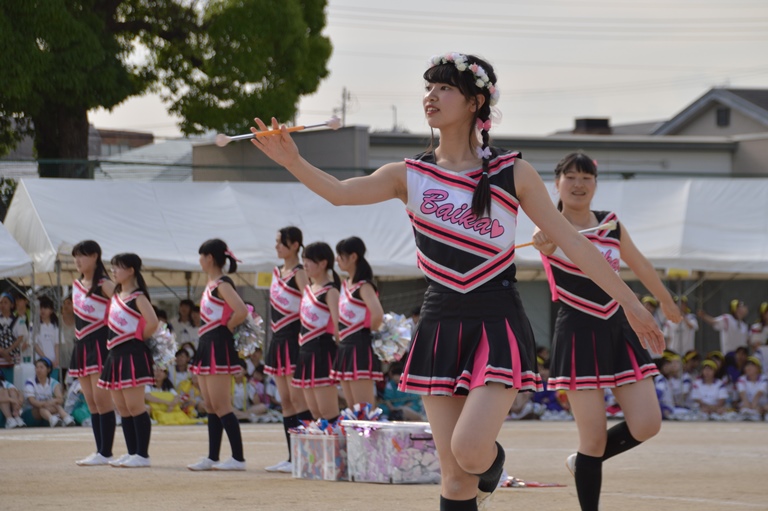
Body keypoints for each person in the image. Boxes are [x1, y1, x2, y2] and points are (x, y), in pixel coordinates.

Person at [250, 52, 664, 511]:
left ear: (475, 102)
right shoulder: (408, 174)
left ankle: (492, 464)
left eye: (444, 88)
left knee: (469, 452)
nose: (432, 96)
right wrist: (292, 159)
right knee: (453, 478)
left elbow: (577, 244)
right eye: (428, 88)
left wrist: (632, 303)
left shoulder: (514, 172)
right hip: (440, 320)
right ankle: (481, 477)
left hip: (497, 320)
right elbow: (341, 194)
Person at [532, 151, 680, 511]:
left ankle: (582, 462)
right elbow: (545, 240)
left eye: (587, 177)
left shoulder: (610, 223)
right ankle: (588, 470)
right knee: (593, 439)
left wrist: (666, 301)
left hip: (619, 327)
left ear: (596, 184)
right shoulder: (550, 226)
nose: (579, 184)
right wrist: (543, 238)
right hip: (578, 332)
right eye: (571, 177)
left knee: (647, 424)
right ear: (557, 183)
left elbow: (639, 263)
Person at [187, 239, 248, 472]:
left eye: (201, 256)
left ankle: (238, 458)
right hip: (206, 343)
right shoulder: (211, 283)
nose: (200, 261)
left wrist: (227, 327)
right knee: (211, 405)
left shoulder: (222, 283)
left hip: (217, 345)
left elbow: (241, 310)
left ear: (209, 258)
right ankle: (213, 456)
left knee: (222, 404)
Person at [97, 253, 159, 468]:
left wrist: (137, 338)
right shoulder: (116, 295)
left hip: (132, 354)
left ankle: (143, 454)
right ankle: (132, 452)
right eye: (112, 267)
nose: (113, 271)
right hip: (114, 355)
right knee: (122, 407)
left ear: (131, 270)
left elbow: (153, 322)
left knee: (135, 405)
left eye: (118, 267)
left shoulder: (139, 297)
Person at [264, 226, 313, 474]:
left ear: (295, 245)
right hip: (278, 340)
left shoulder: (300, 273)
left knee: (298, 399)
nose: (277, 246)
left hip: (295, 339)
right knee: (285, 401)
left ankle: (307, 454)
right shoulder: (276, 272)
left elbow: (310, 305)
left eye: (281, 242)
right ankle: (291, 455)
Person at [69, 241, 118, 466]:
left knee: (102, 401)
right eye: (76, 257)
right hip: (81, 345)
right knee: (91, 402)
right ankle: (100, 450)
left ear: (96, 257)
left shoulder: (104, 284)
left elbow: (124, 307)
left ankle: (106, 452)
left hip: (100, 344)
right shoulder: (77, 284)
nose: (78, 261)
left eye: (83, 256)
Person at [331, 236, 384, 407]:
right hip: (346, 348)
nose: (336, 259)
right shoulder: (345, 284)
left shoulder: (364, 286)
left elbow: (377, 315)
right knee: (352, 408)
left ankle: (368, 435)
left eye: (340, 255)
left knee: (363, 409)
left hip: (359, 346)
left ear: (353, 257)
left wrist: (367, 337)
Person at [292, 242, 342, 423]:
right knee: (314, 413)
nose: (304, 264)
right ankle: (321, 452)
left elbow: (338, 328)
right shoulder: (307, 290)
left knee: (327, 412)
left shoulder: (331, 291)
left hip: (322, 353)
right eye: (303, 260)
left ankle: (337, 451)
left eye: (309, 261)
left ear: (323, 263)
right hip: (305, 353)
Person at [24, 357, 76, 427]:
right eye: (37, 367)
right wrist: (45, 403)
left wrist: (51, 402)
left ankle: (66, 419)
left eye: (41, 367)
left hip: (49, 408)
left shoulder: (54, 382)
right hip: (32, 411)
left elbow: (60, 399)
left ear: (48, 370)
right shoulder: (30, 382)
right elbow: (32, 401)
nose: (38, 370)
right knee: (42, 408)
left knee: (57, 405)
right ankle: (54, 419)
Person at [0, 292, 26, 383]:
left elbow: (20, 338)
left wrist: (8, 350)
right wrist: (2, 351)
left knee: (13, 382)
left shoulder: (18, 320)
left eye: (5, 302)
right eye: (1, 302)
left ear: (12, 305)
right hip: (0, 357)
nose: (3, 305)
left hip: (13, 358)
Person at [34, 296, 60, 376]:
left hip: (53, 364)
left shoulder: (55, 326)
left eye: (45, 308)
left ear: (51, 310)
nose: (43, 310)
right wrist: (46, 359)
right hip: (40, 363)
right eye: (41, 308)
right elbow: (35, 345)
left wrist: (57, 359)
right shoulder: (35, 326)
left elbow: (57, 344)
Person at [736, 356, 767, 420]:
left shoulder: (764, 378)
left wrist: (760, 408)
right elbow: (743, 395)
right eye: (747, 365)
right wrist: (750, 407)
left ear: (758, 368)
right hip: (748, 406)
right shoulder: (741, 379)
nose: (749, 367)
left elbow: (758, 395)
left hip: (761, 405)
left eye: (752, 365)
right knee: (743, 410)